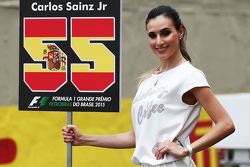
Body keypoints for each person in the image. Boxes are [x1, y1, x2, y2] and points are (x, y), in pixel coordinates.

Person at [62, 5, 235, 167]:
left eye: (165, 33)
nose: (158, 41)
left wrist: (186, 150)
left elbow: (225, 124)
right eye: (152, 35)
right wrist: (83, 139)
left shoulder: (189, 75)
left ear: (180, 31)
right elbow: (136, 137)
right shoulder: (147, 82)